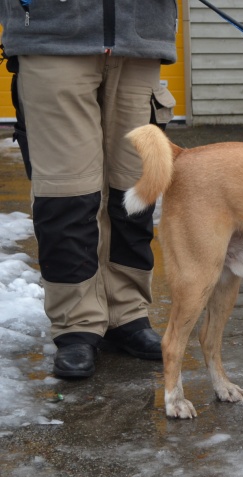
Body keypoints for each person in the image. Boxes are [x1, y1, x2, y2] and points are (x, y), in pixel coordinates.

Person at [0, 1, 178, 377]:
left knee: (133, 189)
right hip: (53, 33)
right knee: (68, 193)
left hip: (140, 35)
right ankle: (76, 323)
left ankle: (127, 313)